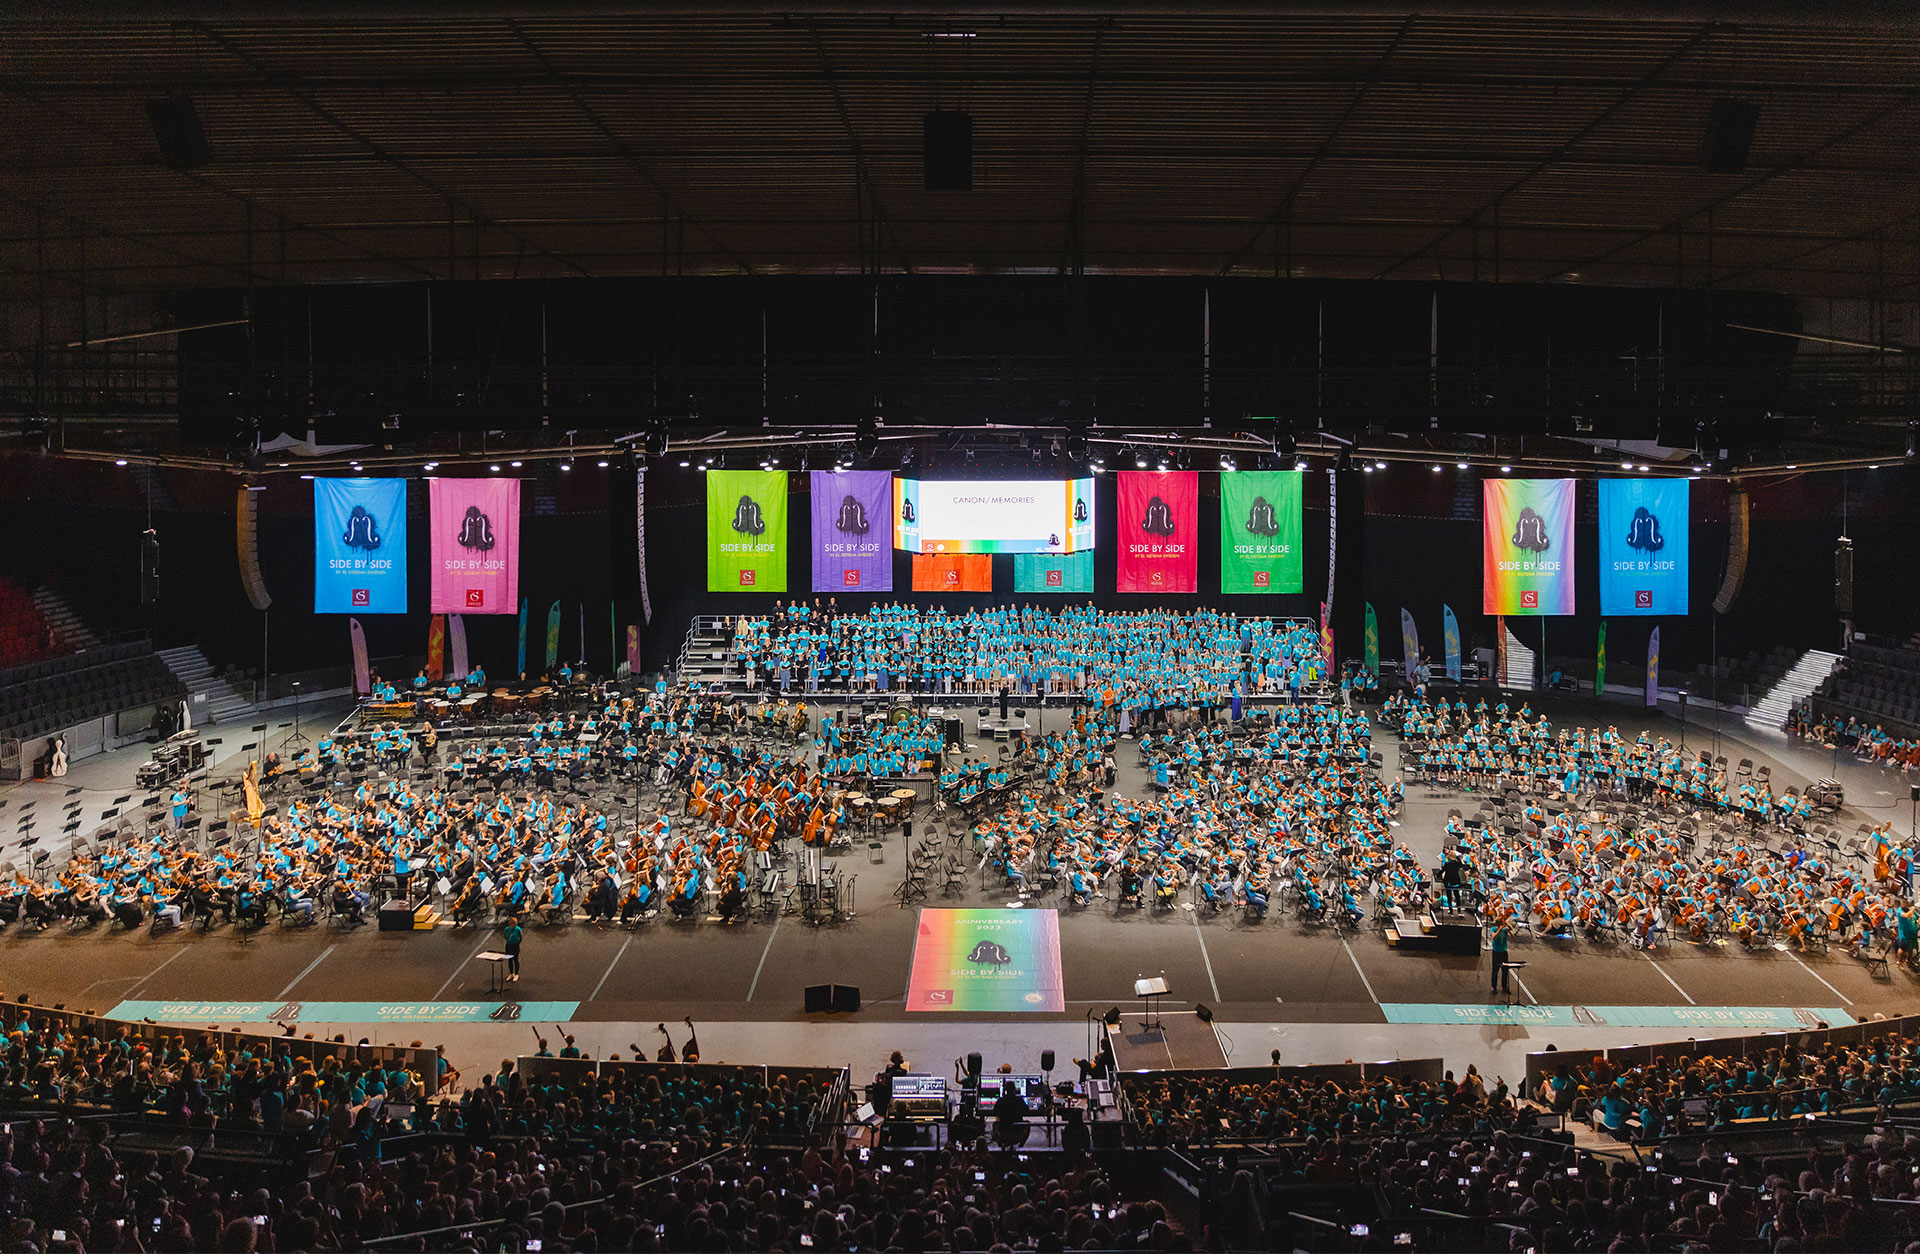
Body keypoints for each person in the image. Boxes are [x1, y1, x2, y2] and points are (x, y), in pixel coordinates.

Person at [1489, 919, 1511, 994]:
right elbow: (1494, 937)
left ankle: (1504, 986)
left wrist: (1508, 929)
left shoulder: (1505, 930)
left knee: (1505, 970)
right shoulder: (1493, 929)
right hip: (1496, 952)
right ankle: (1493, 987)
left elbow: (1511, 935)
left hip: (1504, 952)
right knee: (1495, 970)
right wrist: (1499, 930)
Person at [501, 916, 523, 983]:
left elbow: (520, 937)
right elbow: (505, 936)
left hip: (515, 946)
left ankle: (516, 974)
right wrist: (508, 941)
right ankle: (511, 973)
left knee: (515, 959)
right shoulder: (507, 929)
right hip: (508, 945)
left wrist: (517, 943)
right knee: (509, 960)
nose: (515, 925)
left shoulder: (518, 929)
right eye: (513, 924)